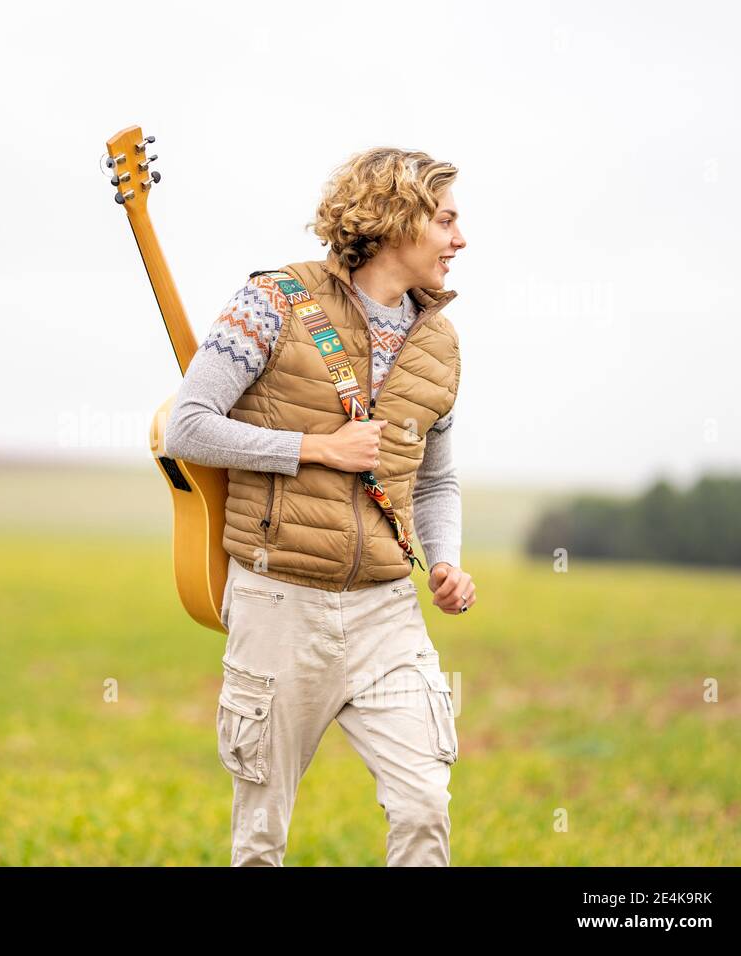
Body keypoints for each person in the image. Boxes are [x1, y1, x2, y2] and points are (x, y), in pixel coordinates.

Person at [162, 146, 477, 866]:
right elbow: (189, 425)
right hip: (278, 604)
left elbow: (434, 481)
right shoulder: (271, 301)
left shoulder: (442, 344)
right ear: (399, 216)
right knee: (261, 839)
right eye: (448, 220)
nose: (460, 240)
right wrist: (315, 449)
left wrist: (446, 562)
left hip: (386, 610)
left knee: (425, 804)